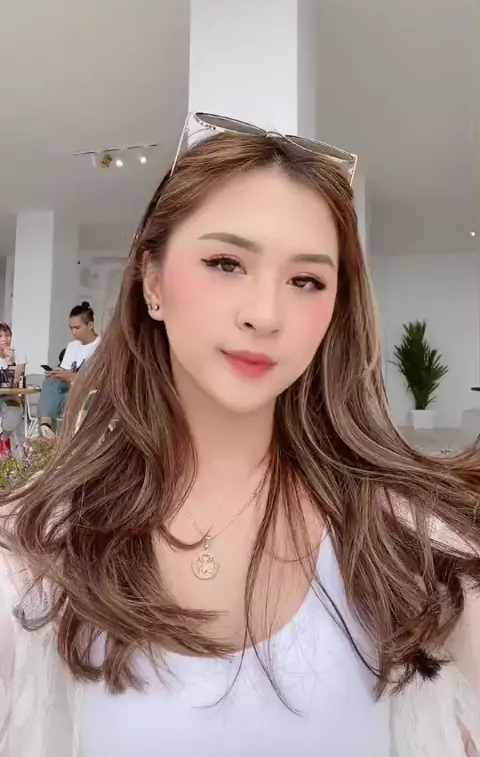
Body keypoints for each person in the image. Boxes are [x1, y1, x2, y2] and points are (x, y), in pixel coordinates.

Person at [0, 120, 479, 757]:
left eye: (306, 280)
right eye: (226, 263)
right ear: (152, 282)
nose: (265, 315)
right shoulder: (38, 548)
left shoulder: (405, 538)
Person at [38, 301, 100, 436]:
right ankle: (46, 426)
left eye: (77, 328)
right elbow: (64, 373)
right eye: (71, 328)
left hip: (88, 393)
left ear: (90, 325)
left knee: (71, 395)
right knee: (50, 381)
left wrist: (71, 377)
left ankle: (57, 434)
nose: (73, 332)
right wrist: (57, 374)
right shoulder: (72, 346)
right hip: (68, 390)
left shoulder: (101, 347)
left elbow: (97, 382)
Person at [0, 322, 27, 455]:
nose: (4, 339)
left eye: (7, 335)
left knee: (14, 410)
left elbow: (16, 382)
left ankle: (3, 440)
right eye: (0, 336)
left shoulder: (19, 354)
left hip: (9, 396)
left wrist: (10, 362)